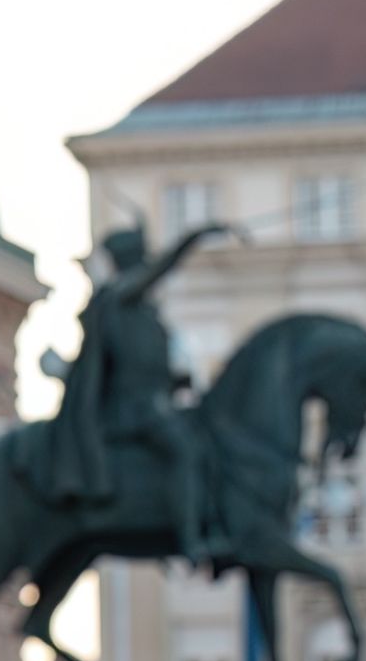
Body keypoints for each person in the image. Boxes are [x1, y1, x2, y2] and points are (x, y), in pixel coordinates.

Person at [32, 217, 228, 569]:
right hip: (132, 411)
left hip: (155, 404)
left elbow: (146, 365)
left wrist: (176, 382)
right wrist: (193, 238)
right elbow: (158, 273)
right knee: (185, 450)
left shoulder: (143, 312)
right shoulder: (119, 294)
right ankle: (189, 538)